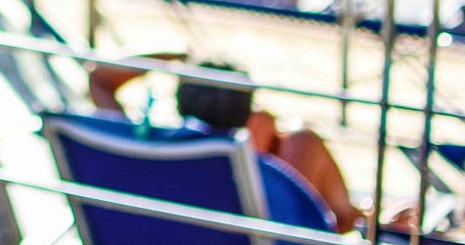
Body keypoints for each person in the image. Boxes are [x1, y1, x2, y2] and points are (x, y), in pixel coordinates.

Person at [88, 60, 363, 233]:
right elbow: (341, 224)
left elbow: (99, 78)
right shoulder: (267, 183)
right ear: (251, 119)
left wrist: (169, 58)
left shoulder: (150, 156)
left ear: (180, 108)